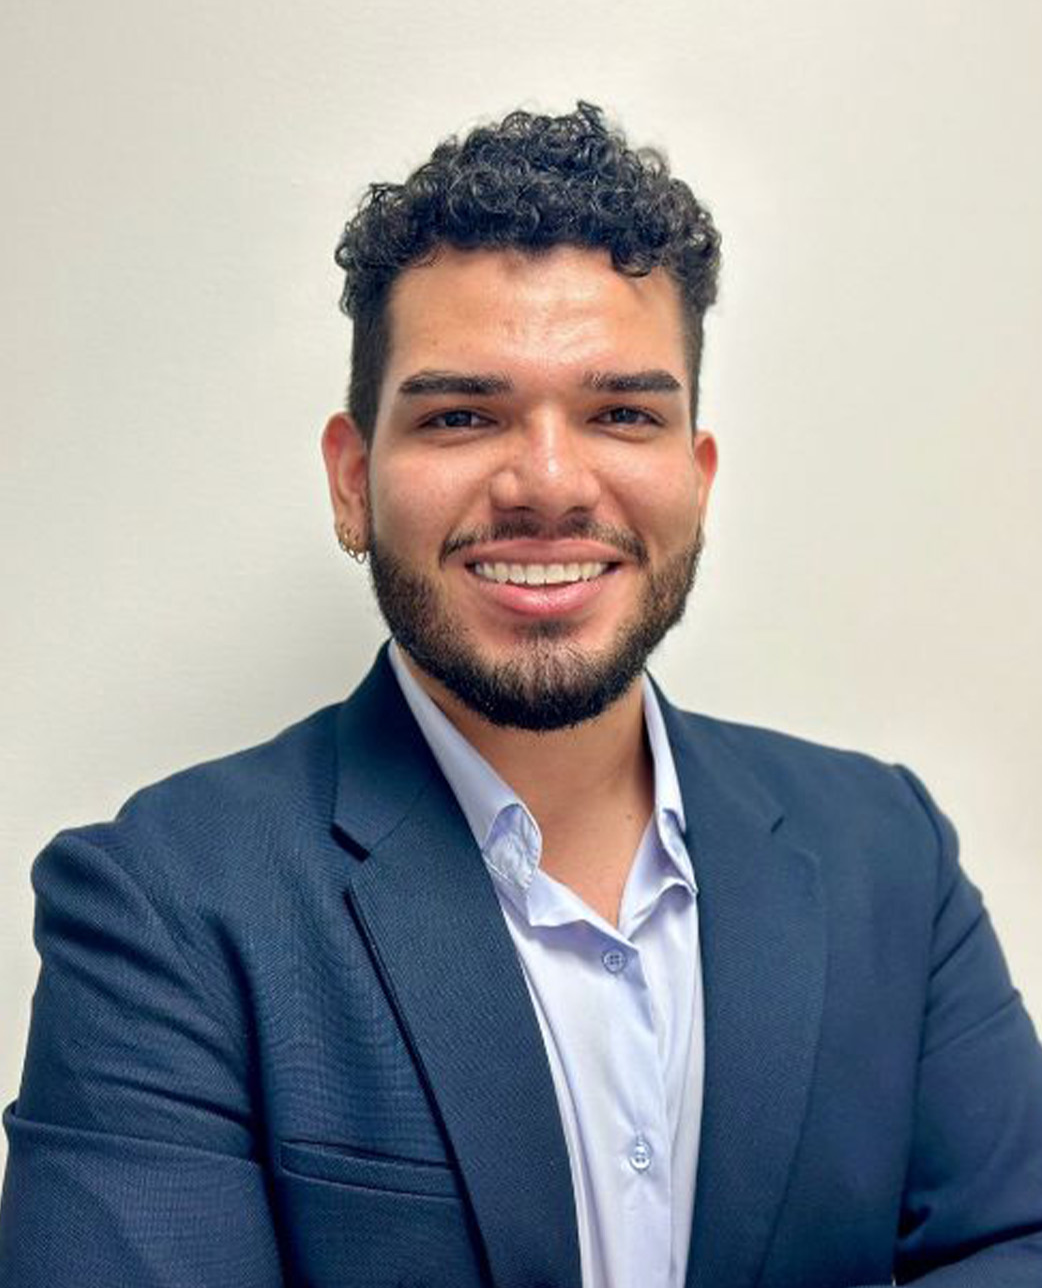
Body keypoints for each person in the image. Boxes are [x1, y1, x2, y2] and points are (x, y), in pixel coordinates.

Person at [1, 102, 1040, 1288]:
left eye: (621, 414)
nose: (548, 483)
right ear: (351, 481)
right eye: (462, 415)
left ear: (695, 478)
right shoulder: (161, 903)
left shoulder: (888, 851)